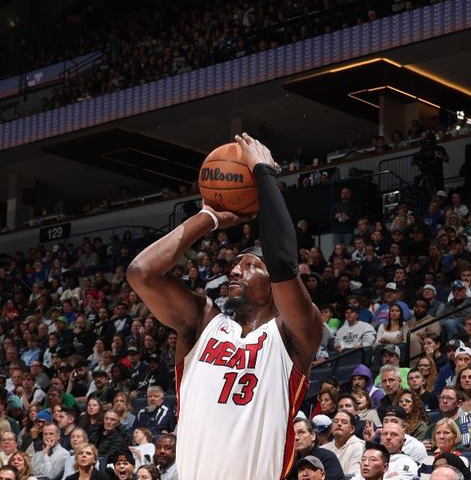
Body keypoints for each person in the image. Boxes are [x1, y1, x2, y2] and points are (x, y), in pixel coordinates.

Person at [127, 133, 324, 479]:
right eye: (235, 264)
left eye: (250, 266)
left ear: (274, 283)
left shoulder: (294, 334)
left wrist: (263, 173)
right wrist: (207, 218)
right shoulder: (203, 322)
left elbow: (282, 261)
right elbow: (141, 273)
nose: (235, 269)